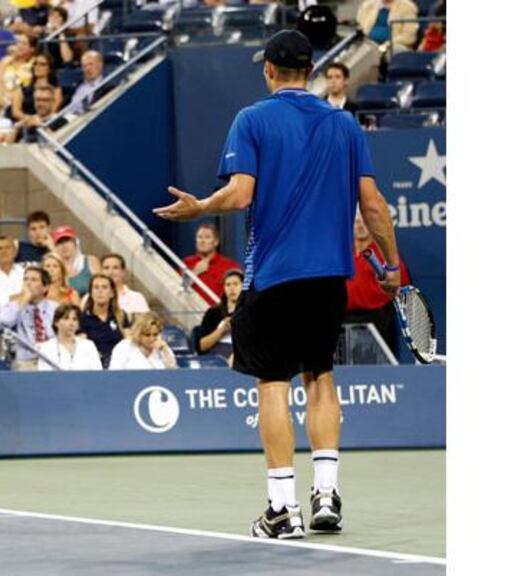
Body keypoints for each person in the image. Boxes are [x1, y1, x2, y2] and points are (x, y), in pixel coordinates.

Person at [152, 30, 401, 540]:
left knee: (273, 386)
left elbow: (241, 195)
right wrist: (392, 264)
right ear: (308, 71)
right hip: (330, 278)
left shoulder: (252, 120)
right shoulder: (344, 125)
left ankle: (282, 509)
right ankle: (326, 494)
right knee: (321, 377)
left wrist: (200, 206)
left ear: (268, 69)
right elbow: (373, 205)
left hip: (275, 276)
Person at [344, 212, 410, 353]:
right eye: (357, 222)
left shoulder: (383, 252)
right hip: (343, 319)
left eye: (364, 222)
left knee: (379, 367)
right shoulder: (342, 252)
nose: (361, 226)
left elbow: (401, 282)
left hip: (377, 319)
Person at [0, 266, 56, 370]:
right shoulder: (14, 306)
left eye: (34, 280)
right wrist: (23, 300)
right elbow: (5, 321)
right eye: (26, 279)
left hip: (52, 360)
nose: (28, 283)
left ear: (45, 287)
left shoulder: (55, 308)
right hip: (24, 362)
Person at [182, 223, 242, 306]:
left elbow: (240, 293)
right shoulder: (187, 263)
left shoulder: (229, 266)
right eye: (199, 237)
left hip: (219, 314)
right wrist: (195, 272)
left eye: (207, 237)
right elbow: (178, 289)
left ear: (216, 242)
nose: (202, 241)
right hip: (191, 312)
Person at [79, 274, 129, 368]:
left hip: (119, 364)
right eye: (96, 287)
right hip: (92, 365)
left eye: (104, 287)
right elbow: (82, 348)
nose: (100, 291)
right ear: (90, 292)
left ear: (112, 293)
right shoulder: (82, 318)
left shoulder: (121, 316)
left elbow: (128, 342)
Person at [196, 269, 244, 361]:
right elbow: (202, 346)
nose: (231, 288)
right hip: (216, 357)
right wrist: (222, 330)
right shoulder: (213, 313)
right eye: (228, 285)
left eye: (235, 284)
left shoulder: (251, 312)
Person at [37, 304, 103, 371]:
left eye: (75, 319)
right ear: (56, 322)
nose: (71, 323)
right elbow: (44, 377)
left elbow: (98, 374)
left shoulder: (88, 345)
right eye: (66, 318)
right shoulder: (46, 348)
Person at [108, 312, 177, 370]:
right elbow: (114, 374)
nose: (152, 339)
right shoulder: (124, 347)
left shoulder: (162, 347)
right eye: (147, 335)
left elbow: (173, 372)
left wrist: (164, 351)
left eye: (155, 334)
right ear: (138, 333)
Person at [11, 54, 63, 123]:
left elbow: (54, 108)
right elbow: (16, 111)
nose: (37, 67)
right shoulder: (22, 88)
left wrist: (41, 120)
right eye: (35, 64)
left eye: (42, 64)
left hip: (47, 122)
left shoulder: (56, 89)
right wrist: (31, 119)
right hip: (25, 122)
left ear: (49, 68)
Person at [52, 225, 101, 297]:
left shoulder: (90, 261)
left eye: (67, 241)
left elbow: (103, 285)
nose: (64, 246)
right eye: (60, 243)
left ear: (75, 242)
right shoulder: (53, 267)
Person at [100, 253, 150, 320]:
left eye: (115, 268)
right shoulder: (89, 297)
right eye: (106, 268)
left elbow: (147, 325)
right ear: (100, 271)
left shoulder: (137, 298)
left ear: (123, 272)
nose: (110, 272)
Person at [67, 51, 106, 116]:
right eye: (84, 66)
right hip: (70, 119)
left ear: (100, 64)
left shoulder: (107, 86)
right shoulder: (78, 85)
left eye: (91, 64)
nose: (88, 68)